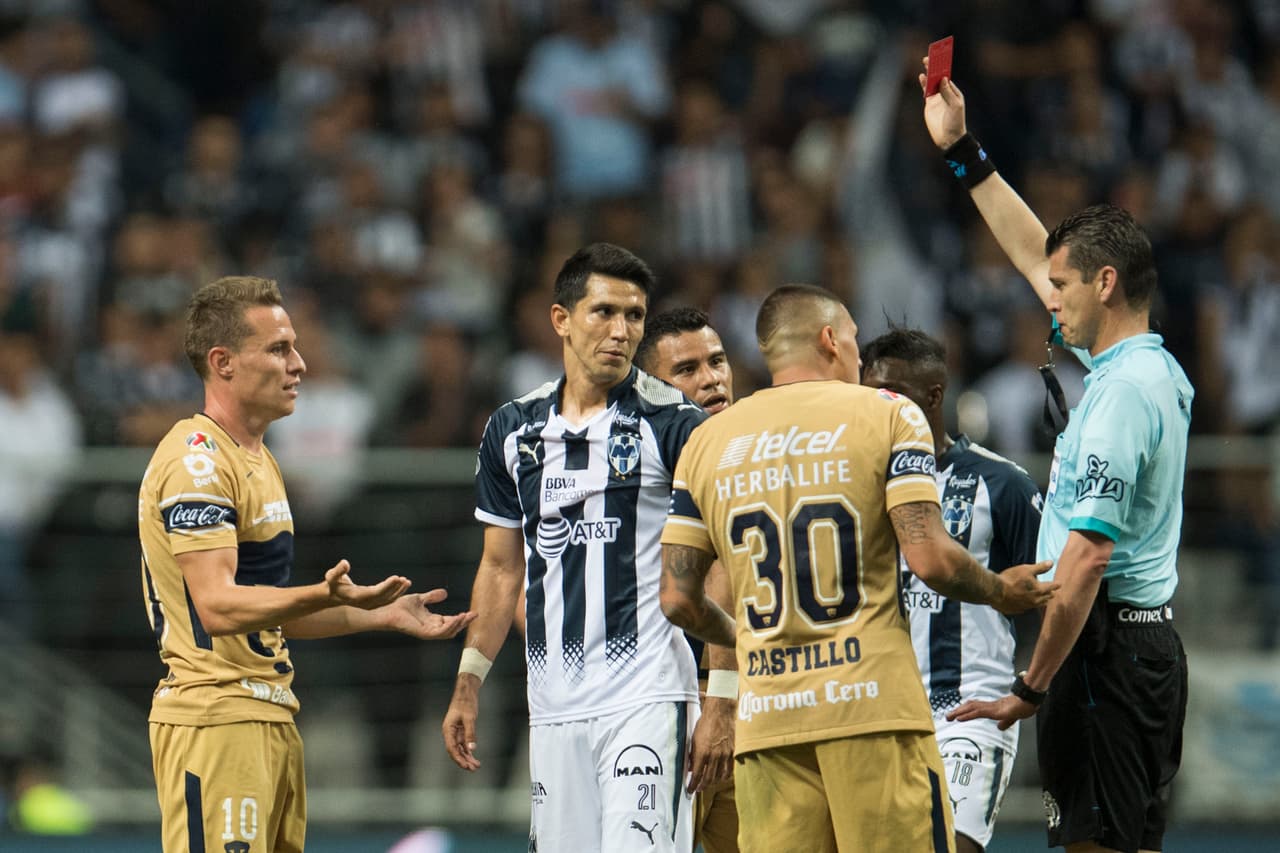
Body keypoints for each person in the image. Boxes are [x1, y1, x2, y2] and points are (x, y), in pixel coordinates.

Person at [659, 284, 1056, 853]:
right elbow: (929, 556)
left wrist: (744, 640)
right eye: (852, 337)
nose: (855, 350)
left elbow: (676, 597)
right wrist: (1000, 591)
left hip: (769, 722)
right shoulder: (888, 413)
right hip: (873, 711)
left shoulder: (709, 441)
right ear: (829, 339)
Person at [922, 67, 1193, 853]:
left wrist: (1029, 687)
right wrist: (961, 151)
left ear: (1105, 283)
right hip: (1126, 648)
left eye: (1063, 283)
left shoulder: (1120, 400)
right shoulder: (1142, 369)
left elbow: (1083, 562)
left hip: (1104, 653)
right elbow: (1027, 248)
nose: (1048, 294)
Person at [138, 276, 474, 853]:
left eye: (293, 346)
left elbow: (263, 613)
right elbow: (217, 607)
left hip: (267, 716)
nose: (299, 364)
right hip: (218, 721)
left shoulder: (259, 458)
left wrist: (379, 615)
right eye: (277, 349)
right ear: (223, 362)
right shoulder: (197, 463)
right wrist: (324, 593)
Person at [442, 244, 707, 853]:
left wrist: (720, 697)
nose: (621, 331)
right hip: (553, 703)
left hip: (646, 695)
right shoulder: (513, 428)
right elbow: (501, 566)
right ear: (561, 319)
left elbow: (713, 560)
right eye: (604, 312)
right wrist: (468, 682)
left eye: (635, 317)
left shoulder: (673, 423)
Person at [862, 327, 1044, 853]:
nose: (878, 408)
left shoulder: (1002, 484)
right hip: (876, 710)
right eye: (868, 394)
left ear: (934, 396)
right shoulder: (851, 486)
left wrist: (1029, 685)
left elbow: (1051, 592)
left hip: (968, 706)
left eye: (891, 394)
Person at [634, 306, 739, 853]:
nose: (712, 379)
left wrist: (722, 704)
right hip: (658, 706)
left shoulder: (750, 448)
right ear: (651, 387)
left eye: (717, 361)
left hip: (739, 701)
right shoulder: (635, 462)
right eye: (688, 370)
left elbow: (731, 574)